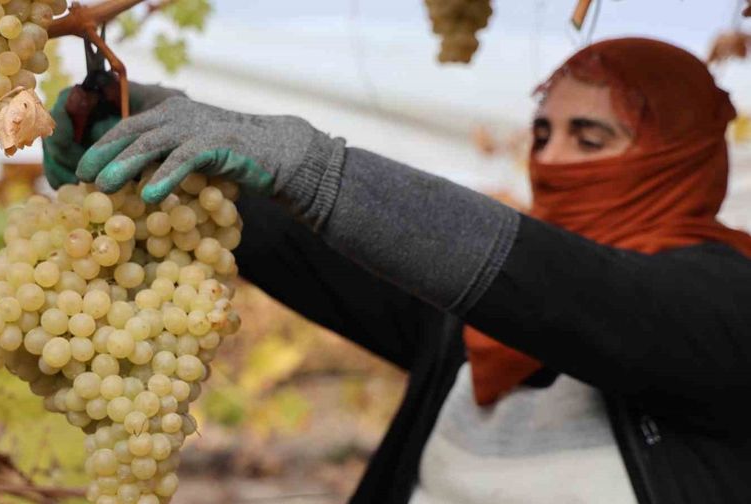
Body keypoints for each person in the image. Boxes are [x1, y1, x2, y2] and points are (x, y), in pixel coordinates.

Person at [43, 37, 751, 503]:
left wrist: (315, 166)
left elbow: (567, 291)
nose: (552, 159)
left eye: (588, 136)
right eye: (542, 132)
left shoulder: (725, 305)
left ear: (678, 156)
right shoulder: (471, 328)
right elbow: (331, 252)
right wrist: (182, 165)